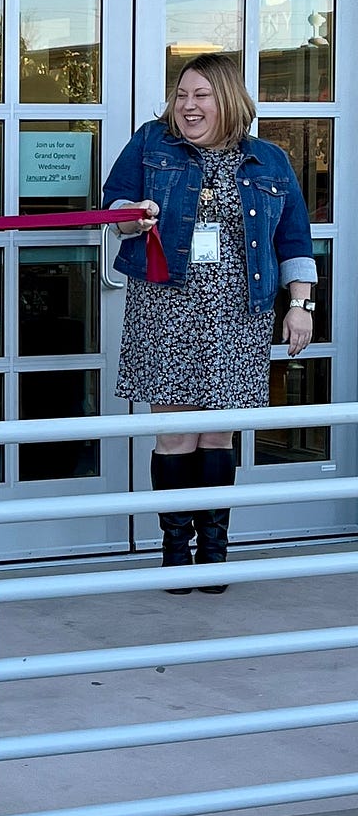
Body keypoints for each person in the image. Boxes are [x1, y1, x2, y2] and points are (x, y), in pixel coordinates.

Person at [104, 53, 315, 594]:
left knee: (217, 434)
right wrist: (134, 215)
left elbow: (293, 236)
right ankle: (175, 550)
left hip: (238, 313)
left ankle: (215, 551)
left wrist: (301, 304)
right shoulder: (151, 143)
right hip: (166, 306)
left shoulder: (269, 159)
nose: (189, 106)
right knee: (175, 435)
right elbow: (114, 211)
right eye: (182, 95)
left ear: (229, 99)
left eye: (201, 95)